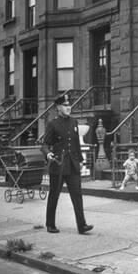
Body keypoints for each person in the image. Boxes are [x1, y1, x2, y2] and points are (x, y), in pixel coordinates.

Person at [41, 93, 94, 235]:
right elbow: (45, 144)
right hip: (58, 165)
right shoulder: (53, 124)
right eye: (65, 105)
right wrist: (48, 153)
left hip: (73, 165)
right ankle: (50, 224)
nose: (68, 107)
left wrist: (81, 161)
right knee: (54, 195)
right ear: (58, 107)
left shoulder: (74, 122)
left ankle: (82, 225)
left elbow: (76, 144)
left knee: (77, 195)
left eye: (69, 105)